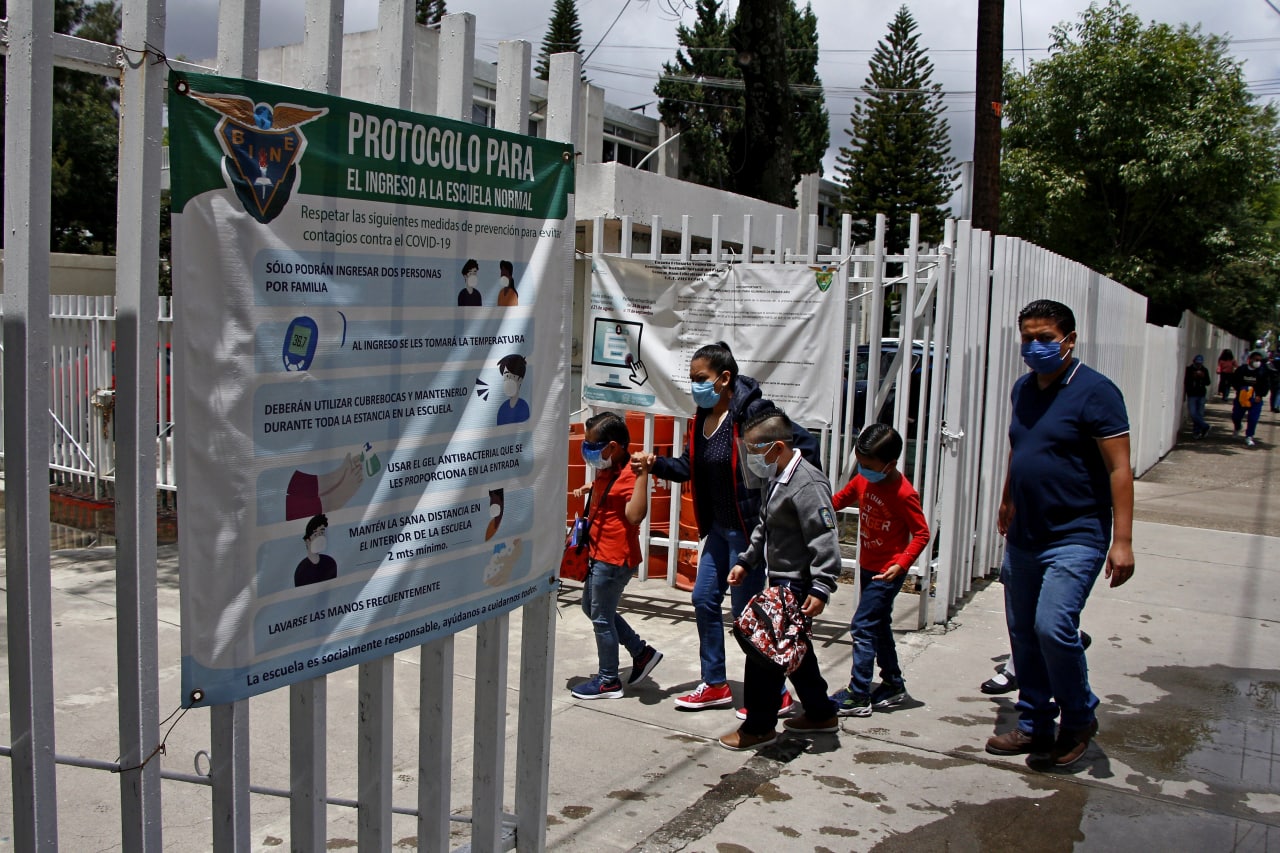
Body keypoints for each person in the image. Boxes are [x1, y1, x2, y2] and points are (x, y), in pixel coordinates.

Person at [987, 299, 1134, 768]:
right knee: (1024, 632)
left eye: (1045, 338)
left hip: (1076, 533)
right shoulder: (1023, 390)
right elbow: (1020, 448)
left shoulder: (1097, 392)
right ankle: (1033, 722)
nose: (1035, 346)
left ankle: (1077, 718)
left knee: (1054, 627)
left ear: (1068, 340)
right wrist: (1008, 498)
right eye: (1027, 337)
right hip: (1026, 534)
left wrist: (1123, 541)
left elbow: (1119, 469)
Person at [633, 341, 819, 713]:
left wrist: (786, 495)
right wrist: (656, 464)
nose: (695, 386)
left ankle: (773, 692)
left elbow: (804, 446)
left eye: (700, 378)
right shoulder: (702, 417)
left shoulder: (753, 412)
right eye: (692, 379)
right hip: (717, 531)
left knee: (748, 615)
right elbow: (689, 467)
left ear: (725, 378)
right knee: (703, 600)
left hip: (748, 533)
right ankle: (715, 683)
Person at [719, 409, 841, 750]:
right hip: (778, 581)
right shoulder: (777, 478)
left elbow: (824, 538)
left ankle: (759, 726)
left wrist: (821, 585)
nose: (753, 458)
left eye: (757, 450)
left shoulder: (808, 483)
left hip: (796, 584)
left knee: (763, 651)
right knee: (795, 651)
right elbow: (765, 524)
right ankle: (820, 712)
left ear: (777, 447)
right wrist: (747, 560)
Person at [827, 424, 930, 717]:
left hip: (887, 573)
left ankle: (859, 693)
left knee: (862, 626)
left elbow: (922, 533)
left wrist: (902, 563)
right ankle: (893, 683)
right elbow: (837, 501)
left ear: (890, 464)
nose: (863, 469)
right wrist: (814, 510)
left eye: (869, 465)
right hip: (867, 565)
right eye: (860, 463)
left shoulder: (904, 493)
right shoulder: (863, 481)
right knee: (878, 625)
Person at [570, 412, 664, 699]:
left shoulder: (630, 475)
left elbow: (635, 515)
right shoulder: (610, 468)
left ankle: (608, 680)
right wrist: (589, 488)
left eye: (593, 445)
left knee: (600, 617)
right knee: (594, 609)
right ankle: (642, 653)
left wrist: (643, 477)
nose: (587, 450)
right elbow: (607, 493)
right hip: (599, 554)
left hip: (613, 559)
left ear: (613, 446)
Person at [1231, 351, 1269, 447]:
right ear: (1250, 359)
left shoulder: (1262, 372)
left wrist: (1260, 395)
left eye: (1260, 361)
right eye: (1256, 360)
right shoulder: (1242, 370)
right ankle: (1238, 427)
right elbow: (1234, 381)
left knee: (1253, 419)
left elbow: (1266, 385)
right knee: (1236, 416)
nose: (1258, 362)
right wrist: (1240, 389)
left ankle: (1249, 436)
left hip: (1255, 400)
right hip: (1241, 399)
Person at [294, 514, 338, 586]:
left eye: (322, 533)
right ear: (307, 540)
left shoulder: (330, 563)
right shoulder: (301, 571)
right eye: (315, 534)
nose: (320, 537)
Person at [495, 353, 530, 425]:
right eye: (505, 377)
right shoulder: (503, 409)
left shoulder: (524, 407)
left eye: (508, 376)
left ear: (520, 379)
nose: (506, 381)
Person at [1183, 354, 1212, 439]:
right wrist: (1194, 376)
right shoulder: (1189, 370)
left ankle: (1197, 432)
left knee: (1200, 414)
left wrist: (1202, 377)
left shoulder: (1204, 370)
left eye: (1200, 363)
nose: (1198, 365)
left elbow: (1208, 382)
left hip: (1201, 394)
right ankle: (1205, 426)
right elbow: (1186, 381)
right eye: (1197, 363)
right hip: (1192, 394)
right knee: (1193, 413)